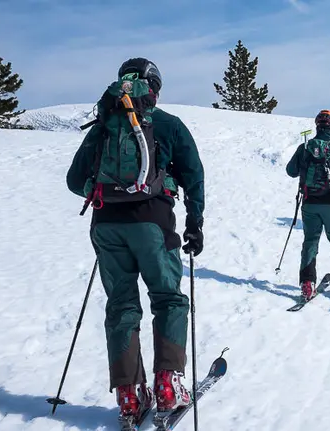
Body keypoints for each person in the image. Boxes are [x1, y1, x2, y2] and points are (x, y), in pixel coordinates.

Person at [66, 58, 204, 426]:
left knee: (122, 306)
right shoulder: (169, 125)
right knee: (168, 299)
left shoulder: (104, 126)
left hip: (106, 225)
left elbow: (74, 179)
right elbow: (194, 177)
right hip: (153, 223)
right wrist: (195, 223)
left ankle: (129, 395)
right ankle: (168, 385)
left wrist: (105, 194)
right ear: (154, 86)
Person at [285, 109, 330, 301]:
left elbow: (290, 171)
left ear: (317, 126)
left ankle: (307, 285)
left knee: (311, 241)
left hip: (309, 202)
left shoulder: (305, 147)